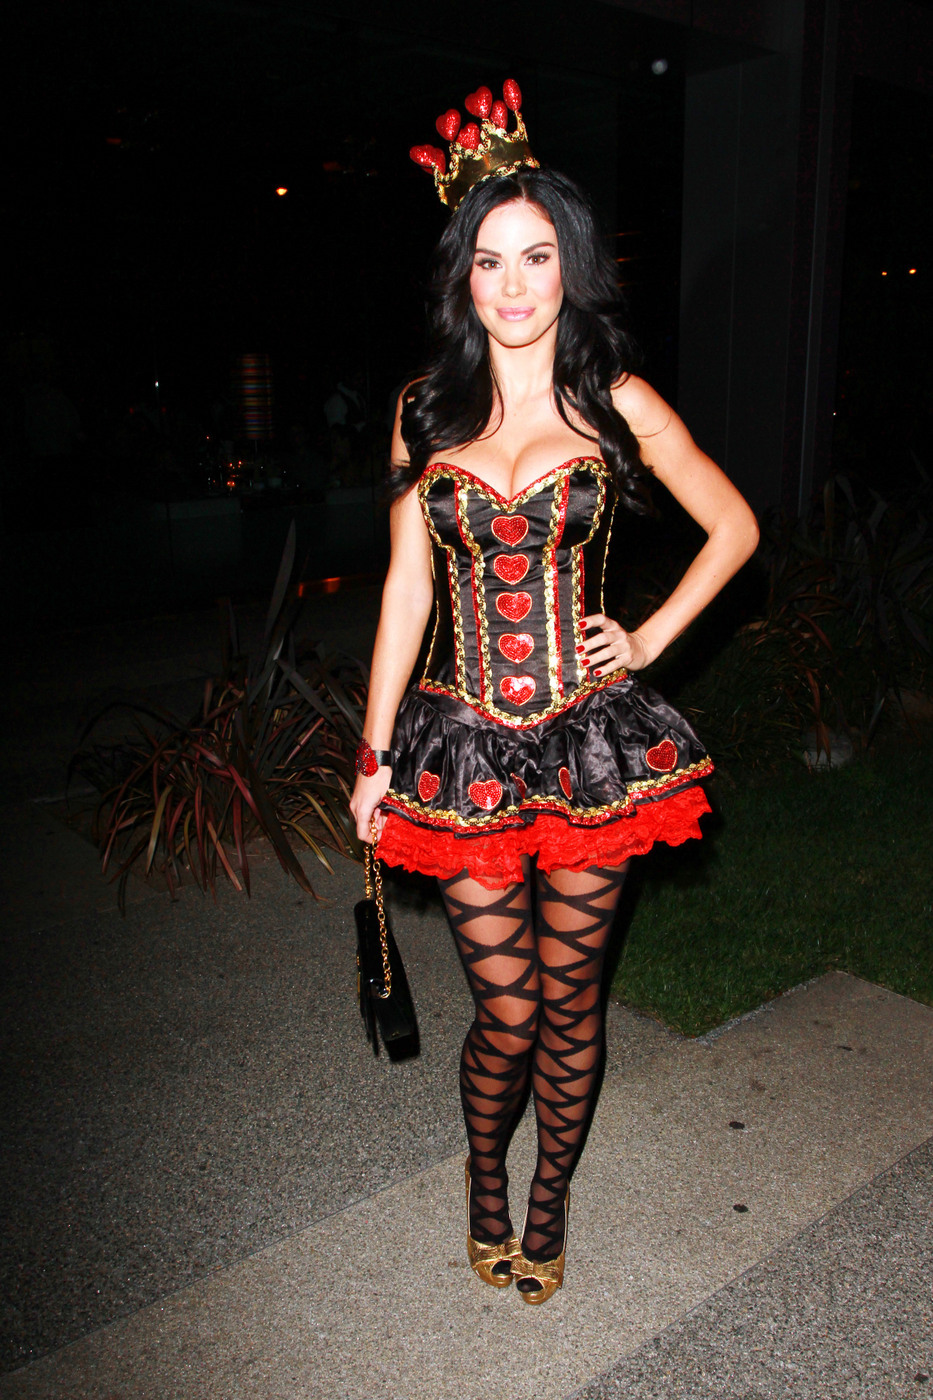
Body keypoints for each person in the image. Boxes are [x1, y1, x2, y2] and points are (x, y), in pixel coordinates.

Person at [349, 81, 759, 1304]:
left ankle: (548, 1198)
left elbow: (735, 524)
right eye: (490, 260)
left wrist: (648, 637)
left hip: (590, 750)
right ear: (463, 277)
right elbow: (406, 590)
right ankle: (487, 1177)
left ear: (570, 266)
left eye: (537, 256)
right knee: (509, 1014)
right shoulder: (424, 411)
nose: (514, 284)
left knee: (573, 1010)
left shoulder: (613, 396)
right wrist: (372, 756)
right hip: (467, 747)